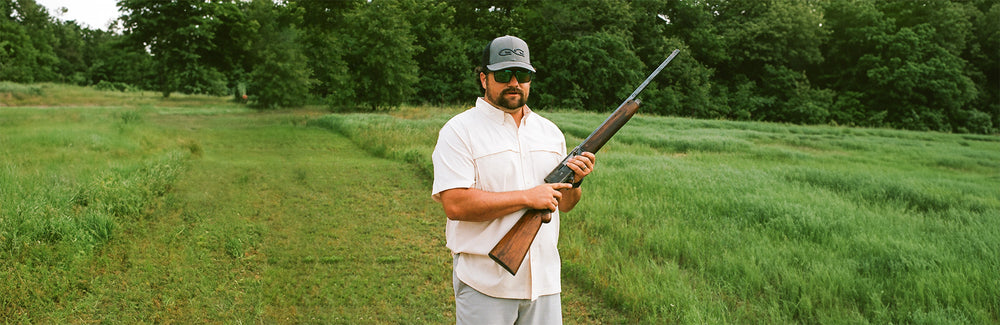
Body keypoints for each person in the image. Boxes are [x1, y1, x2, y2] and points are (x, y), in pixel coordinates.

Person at [431, 35, 597, 325]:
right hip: (486, 283)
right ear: (484, 79)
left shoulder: (550, 132)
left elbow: (566, 203)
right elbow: (455, 204)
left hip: (545, 283)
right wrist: (526, 197)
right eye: (504, 74)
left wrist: (577, 181)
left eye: (522, 74)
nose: (514, 82)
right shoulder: (459, 131)